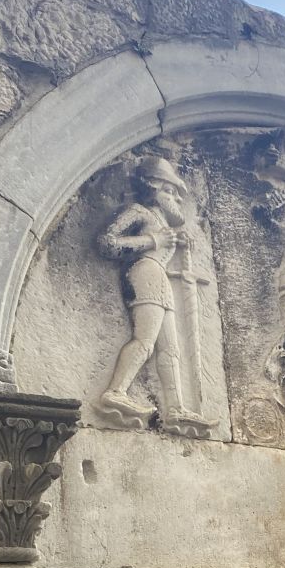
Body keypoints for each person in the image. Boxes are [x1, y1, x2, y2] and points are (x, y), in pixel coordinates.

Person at [95, 154, 211, 433]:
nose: (176, 198)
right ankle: (116, 392)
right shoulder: (139, 212)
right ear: (153, 188)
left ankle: (175, 409)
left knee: (170, 349)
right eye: (170, 191)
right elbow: (107, 242)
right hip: (144, 272)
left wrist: (176, 243)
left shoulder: (162, 220)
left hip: (158, 275)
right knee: (145, 342)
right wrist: (153, 240)